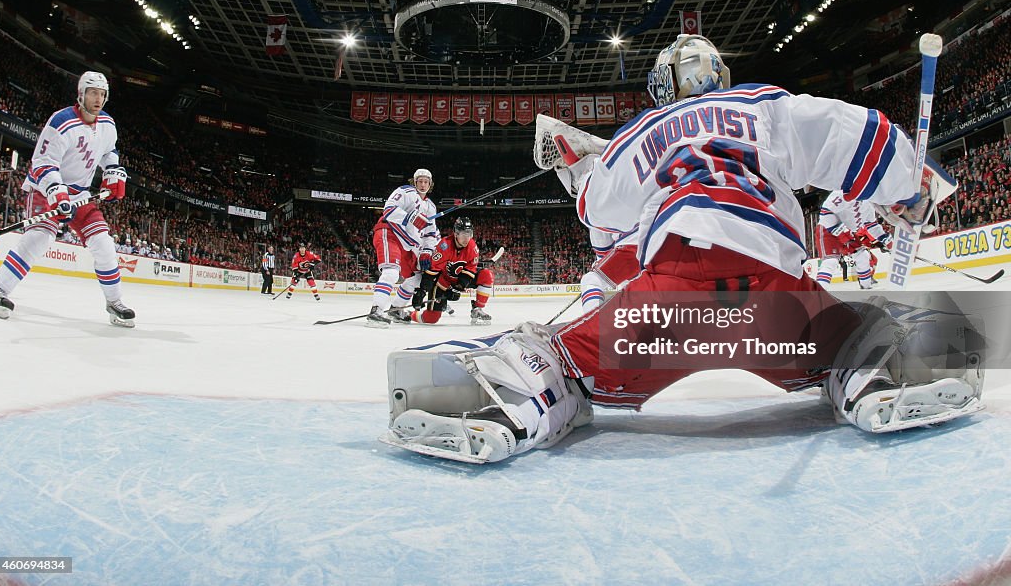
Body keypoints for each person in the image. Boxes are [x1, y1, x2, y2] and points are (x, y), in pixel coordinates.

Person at [380, 34, 980, 464]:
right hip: (775, 301)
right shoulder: (762, 105)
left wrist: (580, 162)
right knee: (857, 332)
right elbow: (851, 135)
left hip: (669, 299)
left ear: (667, 86)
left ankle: (517, 395)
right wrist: (910, 186)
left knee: (561, 360)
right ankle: (883, 370)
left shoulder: (647, 129)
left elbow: (599, 207)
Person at [0, 71, 135, 327]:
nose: (98, 98)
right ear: (81, 93)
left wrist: (113, 171)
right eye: (92, 92)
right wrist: (57, 191)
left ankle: (114, 302)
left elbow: (109, 152)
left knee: (104, 246)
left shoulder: (108, 124)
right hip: (46, 190)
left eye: (102, 94)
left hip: (81, 195)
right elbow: (43, 163)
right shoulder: (62, 121)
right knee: (39, 238)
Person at [391, 216, 495, 325]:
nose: (466, 238)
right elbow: (431, 272)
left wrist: (459, 287)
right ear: (456, 233)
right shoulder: (444, 246)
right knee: (431, 319)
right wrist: (422, 291)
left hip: (457, 280)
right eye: (464, 234)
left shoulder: (472, 247)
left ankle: (477, 309)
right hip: (441, 282)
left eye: (469, 234)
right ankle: (409, 314)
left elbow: (469, 271)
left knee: (486, 275)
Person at [368, 169, 440, 326]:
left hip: (407, 244)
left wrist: (427, 251)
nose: (422, 184)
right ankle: (376, 311)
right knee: (391, 272)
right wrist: (411, 217)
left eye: (426, 182)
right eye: (419, 181)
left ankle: (396, 310)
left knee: (415, 279)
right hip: (390, 233)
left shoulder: (430, 207)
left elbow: (430, 234)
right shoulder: (405, 191)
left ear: (430, 184)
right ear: (414, 182)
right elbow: (388, 209)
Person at [815, 190, 893, 290]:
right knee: (831, 261)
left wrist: (885, 239)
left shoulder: (868, 204)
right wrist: (840, 231)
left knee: (863, 255)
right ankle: (818, 294)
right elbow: (826, 212)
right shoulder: (843, 192)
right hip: (828, 229)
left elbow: (871, 225)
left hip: (848, 232)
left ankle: (866, 287)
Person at [579, 230, 639, 313]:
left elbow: (603, 251)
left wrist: (599, 265)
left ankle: (594, 323)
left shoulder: (594, 217)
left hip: (632, 249)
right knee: (628, 287)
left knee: (591, 280)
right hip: (654, 246)